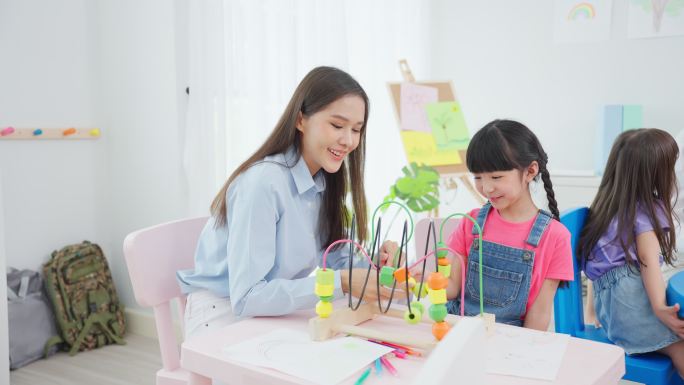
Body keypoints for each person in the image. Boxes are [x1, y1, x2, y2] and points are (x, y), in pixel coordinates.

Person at [177, 66, 397, 338]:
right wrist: (341, 283)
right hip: (222, 312)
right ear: (301, 120)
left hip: (268, 311)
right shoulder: (263, 183)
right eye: (337, 125)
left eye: (357, 129)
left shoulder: (324, 183)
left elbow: (337, 258)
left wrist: (378, 264)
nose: (349, 140)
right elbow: (247, 297)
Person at [443, 119, 573, 330]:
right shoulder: (471, 224)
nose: (486, 188)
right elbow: (452, 289)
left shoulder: (555, 237)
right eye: (478, 177)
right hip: (458, 336)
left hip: (511, 344)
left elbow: (539, 313)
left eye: (496, 177)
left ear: (530, 171)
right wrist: (424, 282)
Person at [578, 128, 684, 376]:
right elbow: (648, 262)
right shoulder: (646, 211)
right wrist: (659, 308)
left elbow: (600, 270)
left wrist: (592, 312)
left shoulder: (605, 208)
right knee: (680, 348)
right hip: (631, 312)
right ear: (656, 173)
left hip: (615, 313)